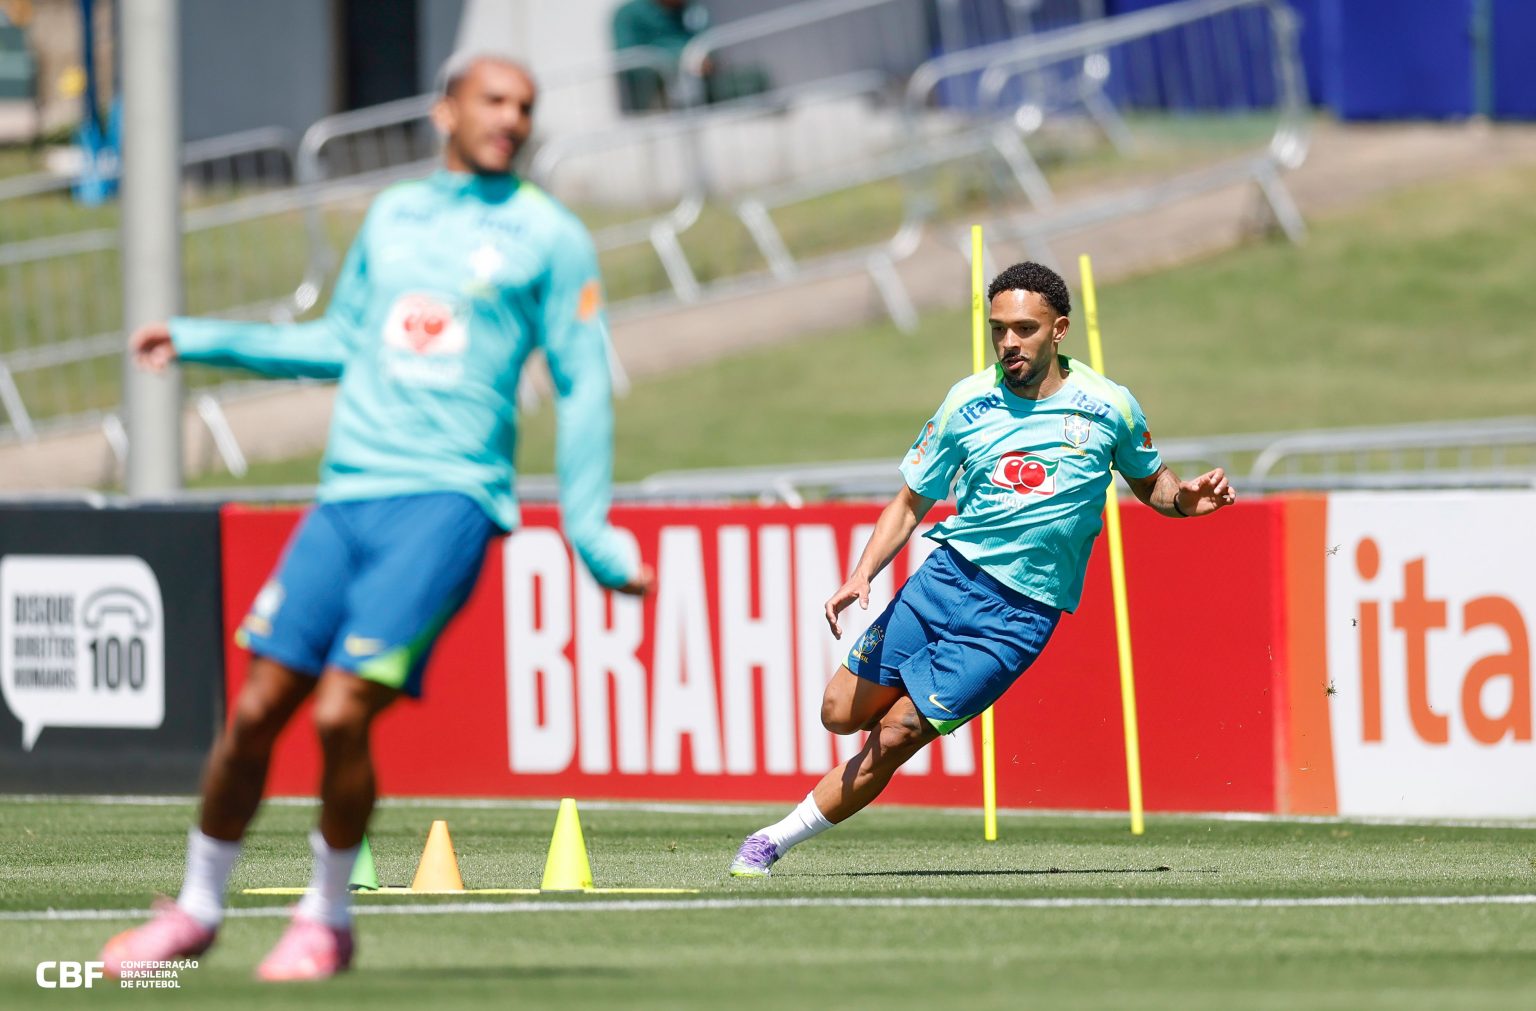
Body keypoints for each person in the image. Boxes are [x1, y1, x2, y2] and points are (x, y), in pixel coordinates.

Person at [101, 52, 653, 981]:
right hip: (345, 498)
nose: (511, 118)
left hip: (449, 501)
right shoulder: (394, 214)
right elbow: (339, 340)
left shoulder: (551, 236)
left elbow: (584, 381)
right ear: (446, 111)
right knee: (255, 710)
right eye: (493, 100)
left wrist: (590, 531)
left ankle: (325, 917)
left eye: (525, 106)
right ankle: (195, 911)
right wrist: (199, 339)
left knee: (341, 710)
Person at [728, 261, 1235, 877]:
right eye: (998, 329)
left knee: (896, 735)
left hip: (1018, 617)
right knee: (838, 713)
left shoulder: (1109, 406)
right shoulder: (966, 402)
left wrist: (1185, 501)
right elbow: (910, 502)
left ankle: (771, 841)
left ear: (1060, 329)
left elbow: (1153, 483)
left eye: (1024, 329)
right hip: (944, 580)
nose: (1008, 343)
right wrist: (862, 573)